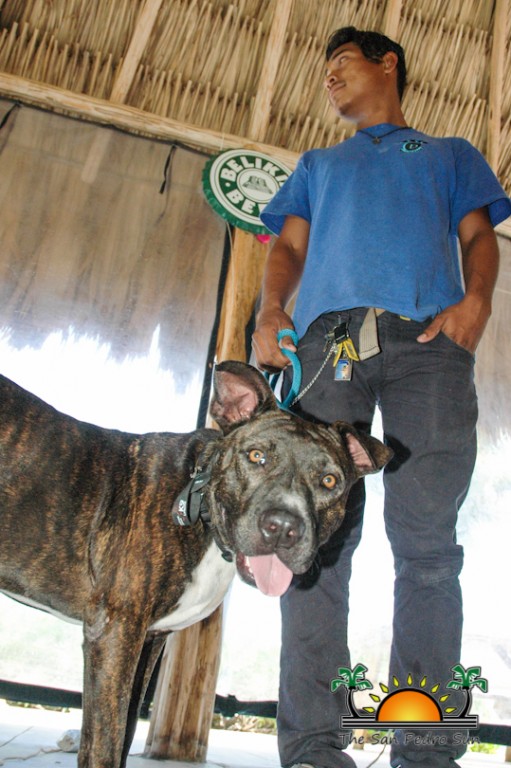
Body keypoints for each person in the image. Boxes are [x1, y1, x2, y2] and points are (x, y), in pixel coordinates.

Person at [252, 26, 511, 768]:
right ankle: (313, 751)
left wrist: (475, 303)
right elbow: (289, 247)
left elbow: (478, 237)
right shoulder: (318, 164)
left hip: (428, 347)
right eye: (325, 70)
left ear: (386, 64)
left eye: (342, 63)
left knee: (427, 547)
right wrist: (271, 311)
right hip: (331, 343)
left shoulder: (448, 154)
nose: (329, 78)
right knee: (315, 543)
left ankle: (425, 753)